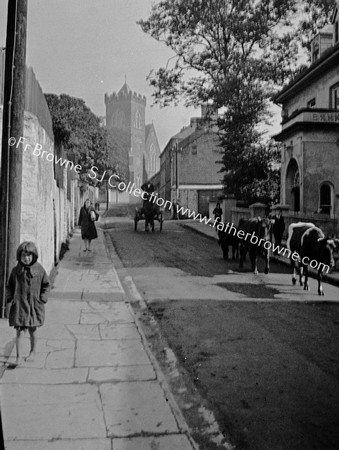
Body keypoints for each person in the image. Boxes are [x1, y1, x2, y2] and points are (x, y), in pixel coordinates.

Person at [6, 241, 50, 366]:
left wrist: (42, 298)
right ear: (19, 257)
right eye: (24, 256)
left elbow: (46, 285)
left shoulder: (39, 270)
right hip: (19, 305)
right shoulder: (16, 271)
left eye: (29, 256)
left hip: (34, 305)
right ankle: (18, 357)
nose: (26, 258)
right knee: (19, 331)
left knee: (33, 329)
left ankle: (33, 352)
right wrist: (10, 297)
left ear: (34, 256)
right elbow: (9, 286)